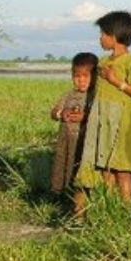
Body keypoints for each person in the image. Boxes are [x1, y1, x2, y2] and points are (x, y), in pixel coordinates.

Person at [76, 11, 131, 202]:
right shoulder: (104, 62)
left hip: (121, 123)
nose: (100, 39)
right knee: (106, 167)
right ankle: (108, 208)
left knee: (122, 170)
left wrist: (117, 82)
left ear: (113, 37)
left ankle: (125, 210)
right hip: (103, 120)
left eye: (103, 34)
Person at [49, 52, 97, 207]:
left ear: (94, 77)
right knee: (64, 168)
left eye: (86, 76)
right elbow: (54, 112)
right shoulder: (69, 95)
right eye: (77, 76)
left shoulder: (94, 97)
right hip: (67, 141)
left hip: (83, 143)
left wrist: (85, 116)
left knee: (80, 171)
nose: (81, 80)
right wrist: (61, 113)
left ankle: (83, 201)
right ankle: (62, 198)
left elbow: (98, 116)